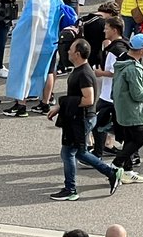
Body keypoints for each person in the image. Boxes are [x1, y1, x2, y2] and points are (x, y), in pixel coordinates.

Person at [48, 37, 124, 200]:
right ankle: (112, 172)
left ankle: (71, 189)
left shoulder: (84, 73)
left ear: (77, 53)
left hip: (82, 119)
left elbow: (88, 99)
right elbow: (77, 96)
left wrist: (64, 102)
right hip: (80, 118)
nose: (68, 51)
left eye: (71, 49)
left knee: (68, 152)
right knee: (80, 152)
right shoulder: (79, 70)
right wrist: (59, 107)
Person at [112, 32, 143, 183]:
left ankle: (127, 171)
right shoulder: (134, 68)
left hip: (122, 108)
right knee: (139, 139)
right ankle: (115, 165)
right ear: (141, 50)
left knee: (129, 140)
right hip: (132, 111)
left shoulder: (123, 60)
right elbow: (138, 95)